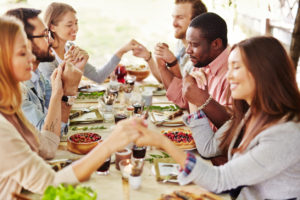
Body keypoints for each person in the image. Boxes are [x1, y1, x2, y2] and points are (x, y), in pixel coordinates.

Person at [132, 36, 300, 199]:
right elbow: (208, 149)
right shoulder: (253, 114)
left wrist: (162, 142)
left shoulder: (285, 133)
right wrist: (193, 98)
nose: (228, 76)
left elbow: (220, 180)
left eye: (236, 67)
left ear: (262, 71)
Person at [0, 16, 141, 199]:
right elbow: (50, 184)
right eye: (22, 53)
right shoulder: (3, 128)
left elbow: (48, 147)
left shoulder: (10, 108)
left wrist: (61, 92)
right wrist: (109, 144)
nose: (32, 57)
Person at [6, 8, 85, 136]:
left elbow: (58, 121)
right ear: (24, 42)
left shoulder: (37, 75)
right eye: (44, 35)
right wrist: (69, 91)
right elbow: (46, 138)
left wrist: (70, 73)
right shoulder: (14, 90)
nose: (52, 40)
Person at [39, 2, 139, 83]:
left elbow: (98, 77)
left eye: (76, 23)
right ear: (52, 27)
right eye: (69, 25)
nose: (75, 28)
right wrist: (71, 68)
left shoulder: (71, 48)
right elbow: (53, 93)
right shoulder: (46, 56)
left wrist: (121, 51)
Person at [132, 0, 207, 83]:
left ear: (197, 22)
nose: (173, 23)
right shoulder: (181, 44)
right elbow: (168, 81)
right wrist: (148, 57)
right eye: (173, 17)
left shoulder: (203, 55)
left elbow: (186, 92)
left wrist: (172, 62)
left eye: (180, 17)